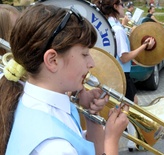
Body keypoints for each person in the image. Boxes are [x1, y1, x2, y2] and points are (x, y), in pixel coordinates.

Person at [0, 4, 129, 155]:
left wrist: (91, 115)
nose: (92, 63)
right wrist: (111, 141)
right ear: (53, 60)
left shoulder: (29, 100)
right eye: (85, 54)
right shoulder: (55, 147)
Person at [92, 0, 155, 151]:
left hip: (112, 73)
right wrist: (144, 46)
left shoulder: (107, 25)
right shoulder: (118, 30)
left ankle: (133, 140)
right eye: (121, 4)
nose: (123, 7)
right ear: (115, 6)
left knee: (131, 103)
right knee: (129, 107)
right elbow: (125, 57)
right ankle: (132, 141)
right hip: (122, 73)